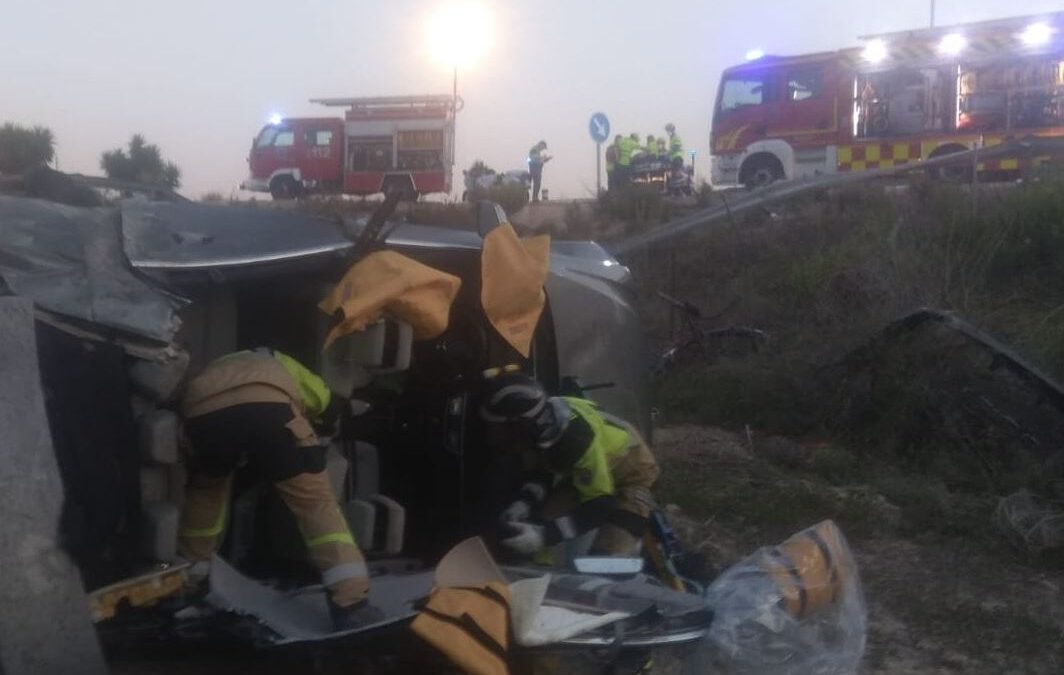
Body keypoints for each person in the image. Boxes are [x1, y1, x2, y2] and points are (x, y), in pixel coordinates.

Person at [177, 348, 378, 630]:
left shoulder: (208, 370)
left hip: (205, 418)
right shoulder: (274, 358)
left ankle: (189, 580)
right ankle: (351, 602)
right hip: (270, 412)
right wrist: (327, 418)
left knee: (205, 495)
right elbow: (323, 399)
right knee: (315, 503)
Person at [479, 371, 659, 557]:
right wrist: (524, 503)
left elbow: (600, 505)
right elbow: (541, 473)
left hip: (630, 471)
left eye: (497, 429)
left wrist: (544, 536)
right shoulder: (539, 429)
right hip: (585, 471)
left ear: (520, 425)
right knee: (538, 521)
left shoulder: (574, 441)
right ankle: (539, 574)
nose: (492, 437)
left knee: (611, 552)